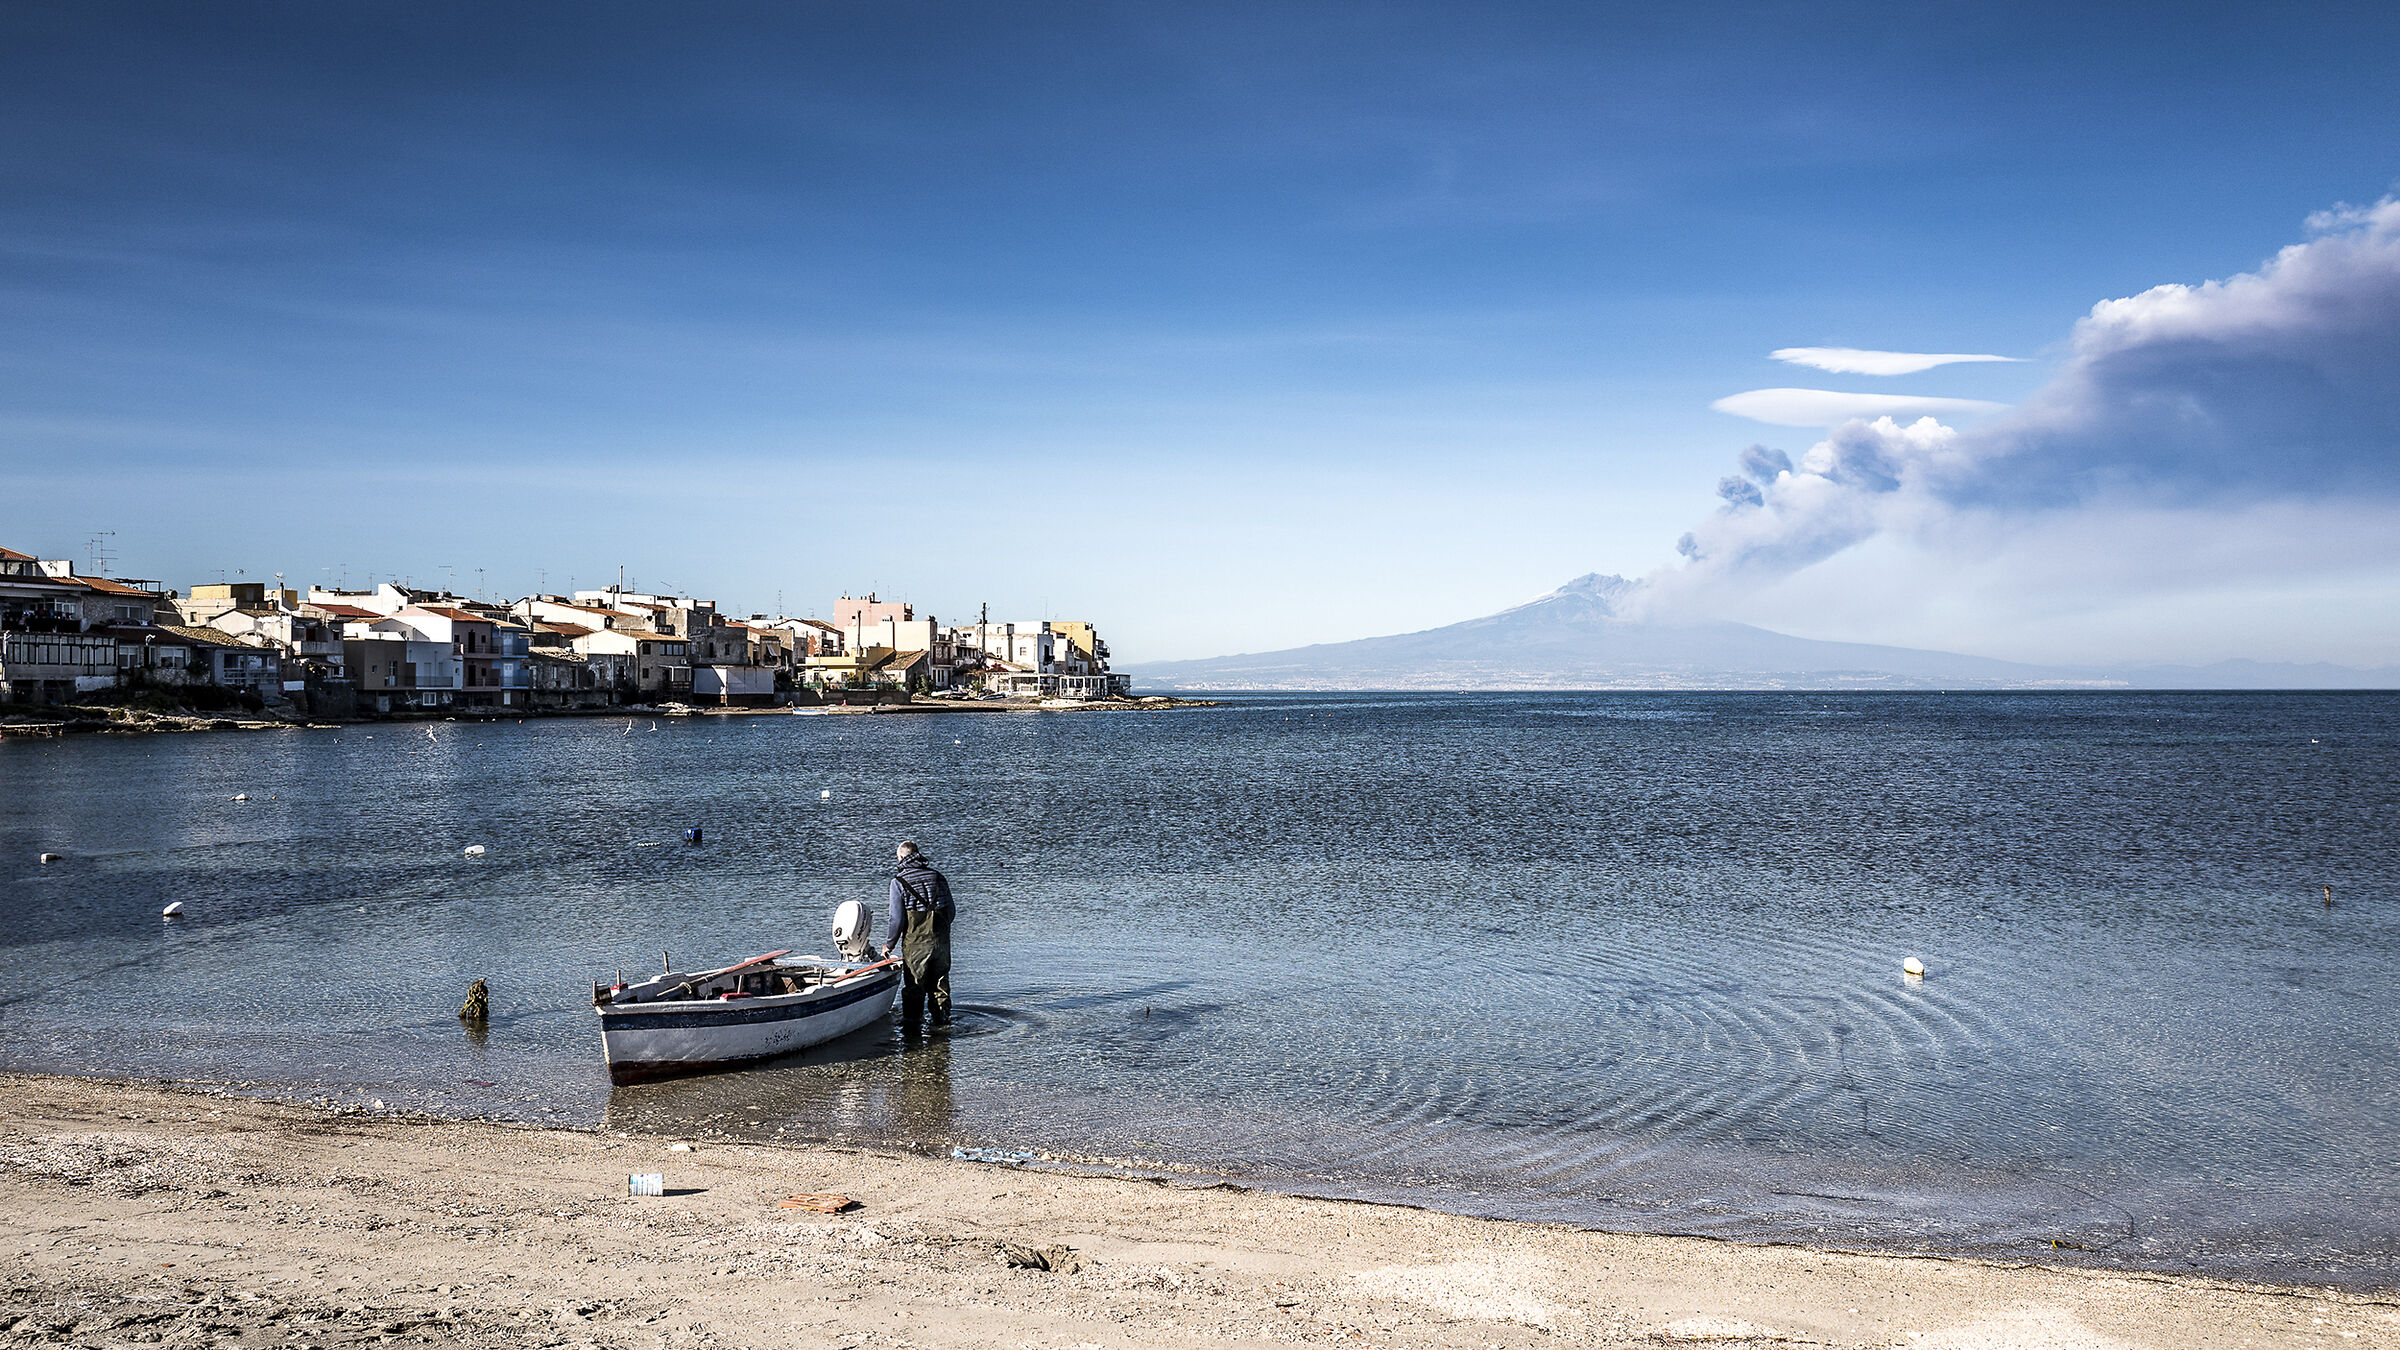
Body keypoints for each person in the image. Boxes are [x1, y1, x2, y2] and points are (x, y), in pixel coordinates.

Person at [885, 840, 953, 1030]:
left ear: (900, 857)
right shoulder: (938, 877)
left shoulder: (898, 882)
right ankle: (942, 1025)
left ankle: (912, 1030)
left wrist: (889, 945)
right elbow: (951, 911)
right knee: (940, 985)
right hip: (941, 940)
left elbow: (896, 920)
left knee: (915, 987)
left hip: (915, 945)